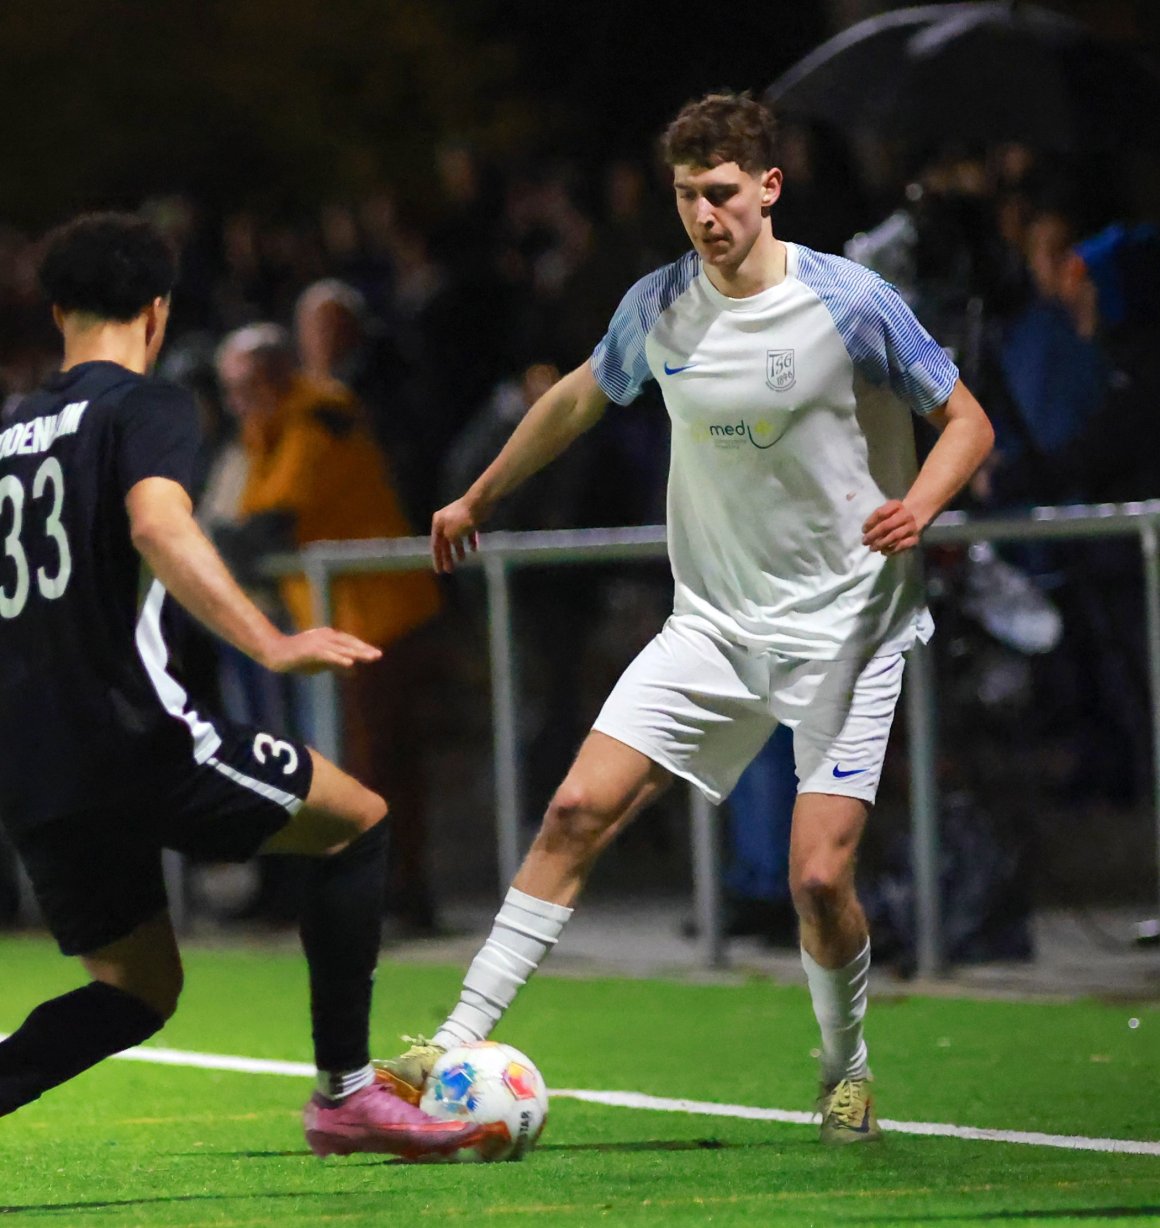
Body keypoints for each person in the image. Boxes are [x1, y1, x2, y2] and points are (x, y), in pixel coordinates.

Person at [375, 92, 994, 1144]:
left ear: (767, 187)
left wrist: (920, 505)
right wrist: (479, 494)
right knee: (574, 809)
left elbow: (964, 419)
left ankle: (844, 1069)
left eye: (719, 193)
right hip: (710, 624)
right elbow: (575, 397)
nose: (704, 216)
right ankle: (453, 1034)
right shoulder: (658, 305)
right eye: (683, 196)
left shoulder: (850, 302)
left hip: (846, 630)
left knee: (815, 876)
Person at [0, 212, 492, 1161]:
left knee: (138, 987)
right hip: (128, 733)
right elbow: (159, 525)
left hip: (28, 758)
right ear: (157, 310)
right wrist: (270, 641)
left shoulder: (10, 429)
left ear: (57, 308)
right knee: (357, 820)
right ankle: (346, 1095)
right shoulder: (146, 407)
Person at [215, 324, 444, 930]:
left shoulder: (319, 415)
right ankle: (386, 895)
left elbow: (270, 523)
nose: (236, 400)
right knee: (365, 764)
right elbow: (249, 528)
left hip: (377, 618)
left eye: (244, 385)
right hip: (342, 623)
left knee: (376, 765)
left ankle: (396, 896)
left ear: (274, 375)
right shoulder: (275, 426)